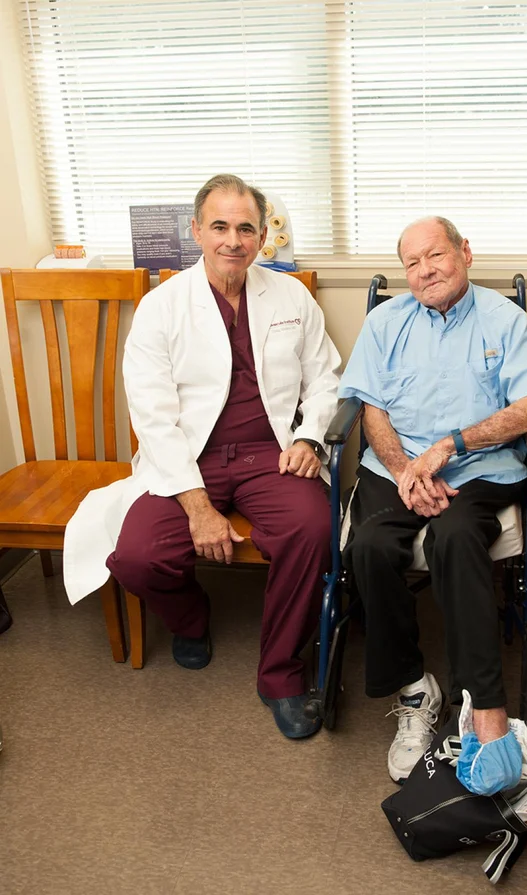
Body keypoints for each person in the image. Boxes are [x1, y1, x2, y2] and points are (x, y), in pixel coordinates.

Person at [63, 174, 341, 739]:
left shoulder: (291, 296)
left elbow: (327, 378)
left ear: (263, 235)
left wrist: (310, 437)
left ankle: (281, 674)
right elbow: (153, 416)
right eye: (220, 226)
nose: (232, 241)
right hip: (190, 459)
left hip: (273, 454)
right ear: (197, 231)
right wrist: (196, 507)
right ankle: (191, 619)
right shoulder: (161, 307)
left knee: (313, 529)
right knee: (138, 556)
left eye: (245, 228)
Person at [339, 216, 527, 788]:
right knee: (368, 546)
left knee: (455, 536)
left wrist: (449, 446)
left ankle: (482, 708)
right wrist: (405, 468)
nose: (424, 270)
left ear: (464, 251)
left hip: (481, 466)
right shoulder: (386, 321)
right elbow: (372, 410)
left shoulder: (505, 320)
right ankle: (415, 689)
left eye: (435, 255)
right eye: (412, 263)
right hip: (400, 466)